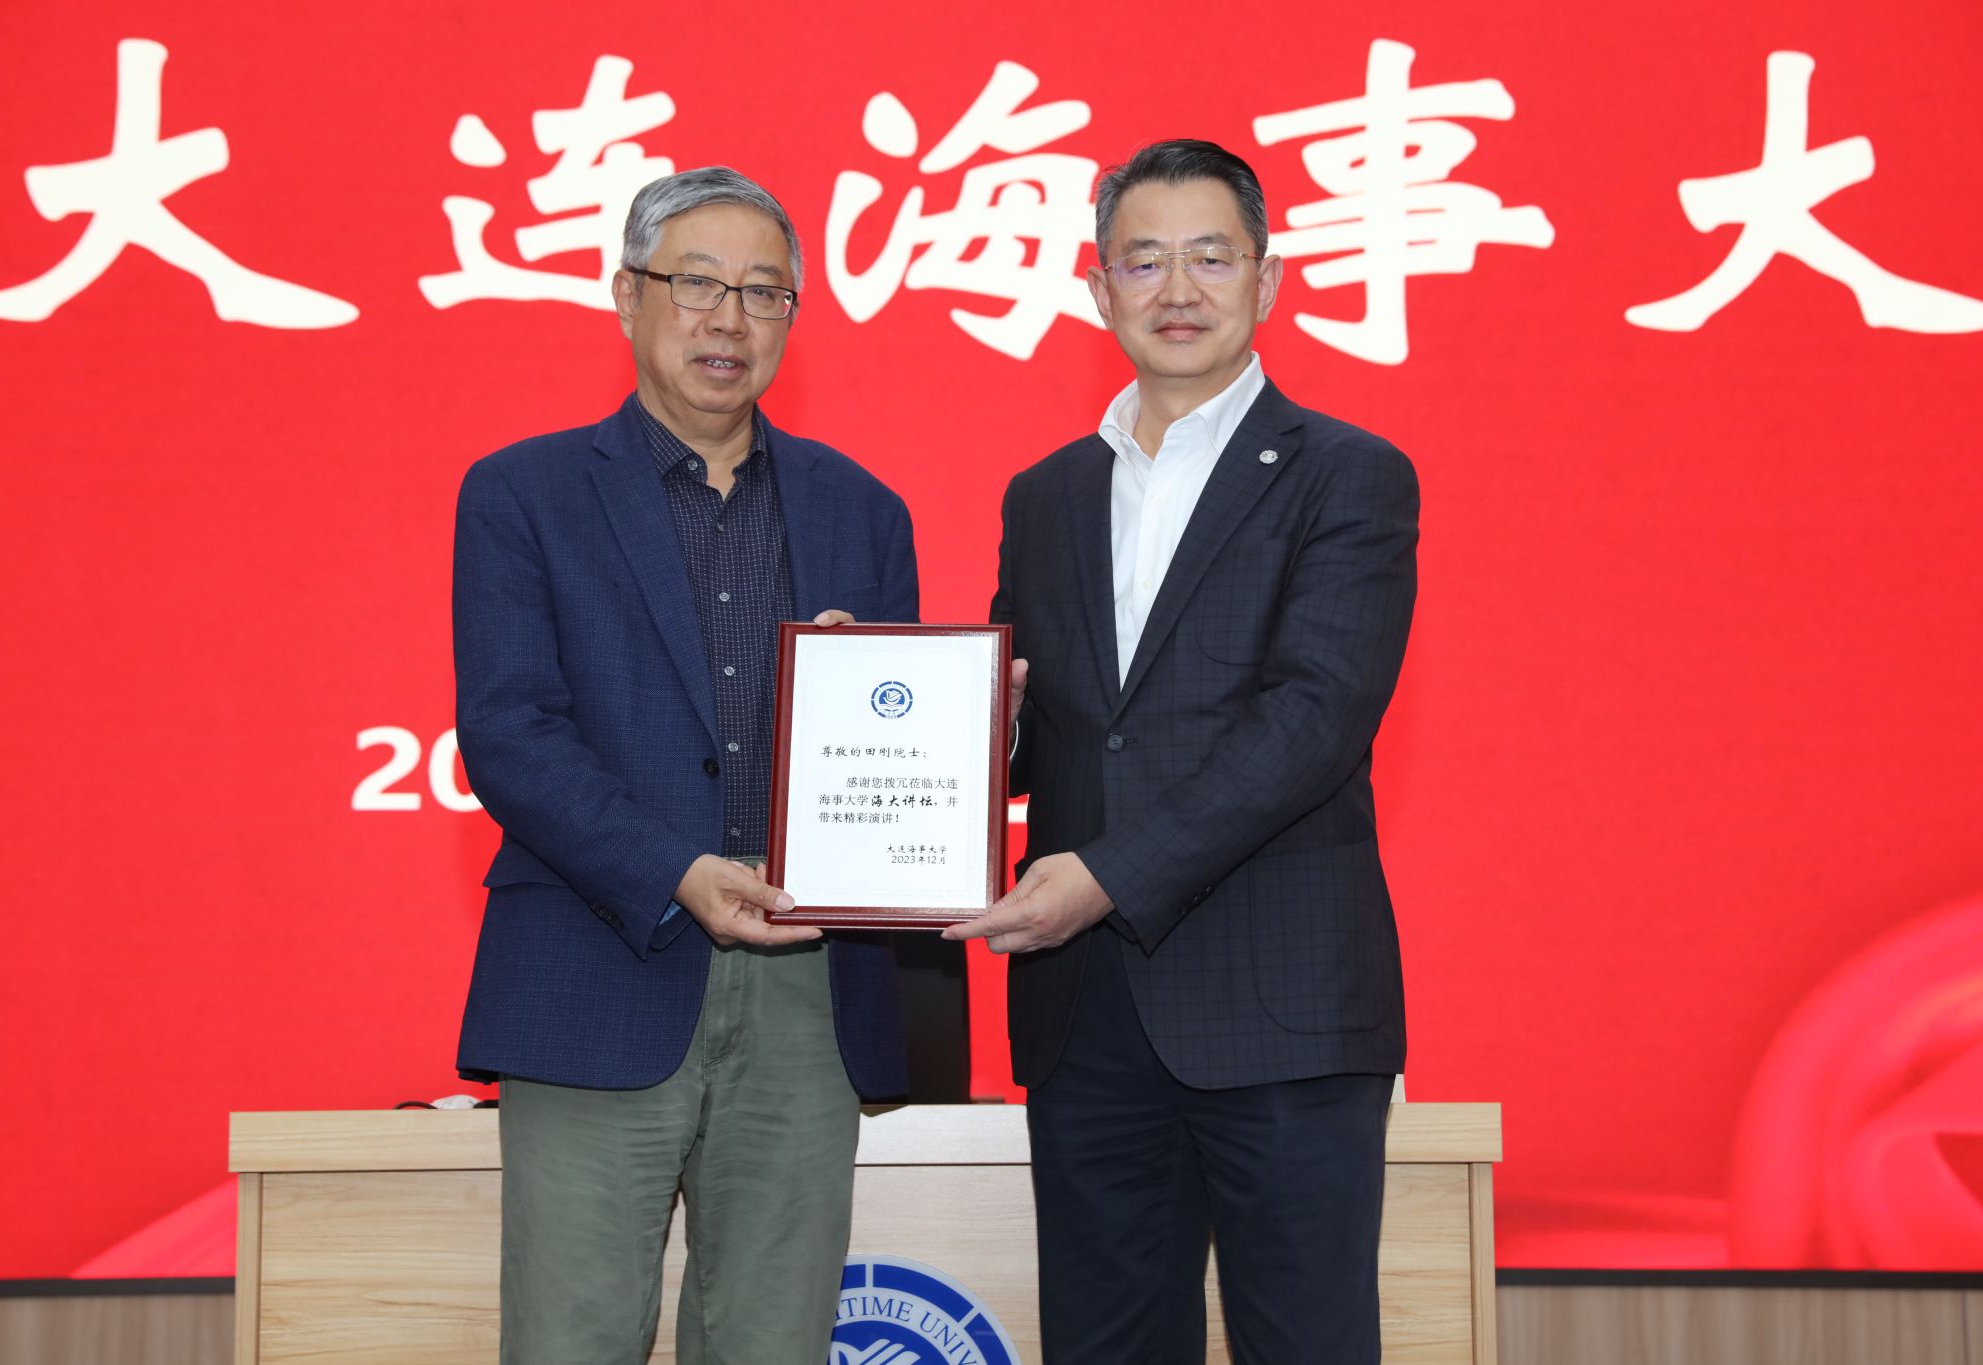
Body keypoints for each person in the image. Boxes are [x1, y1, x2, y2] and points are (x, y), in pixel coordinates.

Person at [947, 139, 1419, 1364]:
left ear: (1266, 279)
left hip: (1278, 1010)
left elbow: (1312, 721)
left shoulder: (1347, 476)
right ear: (1095, 286)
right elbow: (1036, 735)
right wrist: (922, 717)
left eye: (1210, 257)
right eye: (1141, 260)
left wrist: (1106, 876)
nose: (1176, 290)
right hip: (1086, 1017)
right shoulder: (1044, 495)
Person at [452, 166, 918, 1364]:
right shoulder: (521, 494)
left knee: (773, 1338)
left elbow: (897, 750)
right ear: (627, 296)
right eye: (697, 284)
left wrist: (968, 726)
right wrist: (675, 870)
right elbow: (510, 732)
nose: (730, 319)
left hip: (807, 984)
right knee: (572, 1338)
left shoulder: (862, 509)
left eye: (765, 293)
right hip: (597, 965)